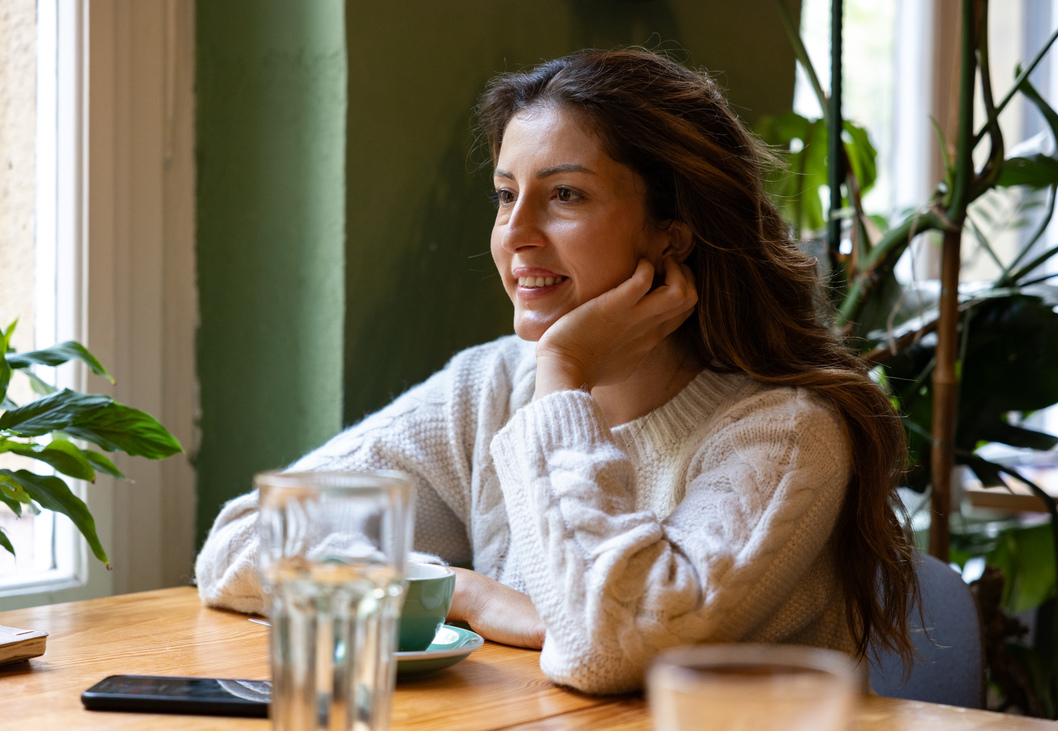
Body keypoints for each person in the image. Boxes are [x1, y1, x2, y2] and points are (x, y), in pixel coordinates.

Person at [196, 48, 917, 695]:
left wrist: (564, 373)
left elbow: (610, 646)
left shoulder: (785, 433)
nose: (514, 235)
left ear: (672, 232)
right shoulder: (493, 384)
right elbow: (241, 544)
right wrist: (459, 591)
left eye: (564, 195)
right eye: (506, 194)